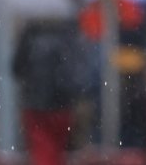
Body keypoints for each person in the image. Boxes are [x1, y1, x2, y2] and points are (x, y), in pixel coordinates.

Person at [12, 18, 96, 165]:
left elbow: (17, 68)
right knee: (58, 150)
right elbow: (77, 73)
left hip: (35, 104)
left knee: (42, 150)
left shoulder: (30, 35)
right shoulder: (67, 35)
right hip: (61, 105)